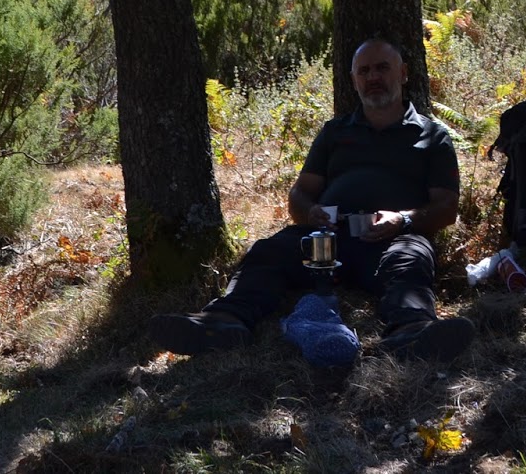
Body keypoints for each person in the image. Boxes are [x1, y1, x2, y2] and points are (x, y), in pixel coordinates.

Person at [148, 36, 475, 362]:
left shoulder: (432, 136)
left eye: (382, 68)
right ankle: (223, 322)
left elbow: (447, 208)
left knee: (410, 259)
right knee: (268, 251)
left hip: (392, 241)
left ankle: (412, 332)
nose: (373, 77)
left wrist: (402, 220)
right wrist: (311, 212)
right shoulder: (335, 132)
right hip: (326, 242)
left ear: (403, 73)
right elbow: (300, 193)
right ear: (354, 80)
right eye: (364, 71)